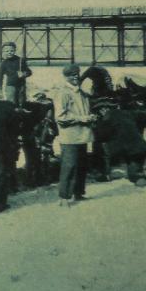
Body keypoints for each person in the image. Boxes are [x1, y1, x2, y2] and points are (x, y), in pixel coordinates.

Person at [55, 63, 95, 207]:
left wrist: (90, 117)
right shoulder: (63, 93)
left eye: (77, 74)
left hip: (83, 135)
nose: (75, 77)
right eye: (72, 75)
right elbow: (60, 117)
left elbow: (83, 112)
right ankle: (64, 197)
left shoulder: (83, 94)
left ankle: (78, 193)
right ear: (66, 77)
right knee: (69, 166)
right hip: (69, 137)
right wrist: (81, 118)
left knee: (81, 166)